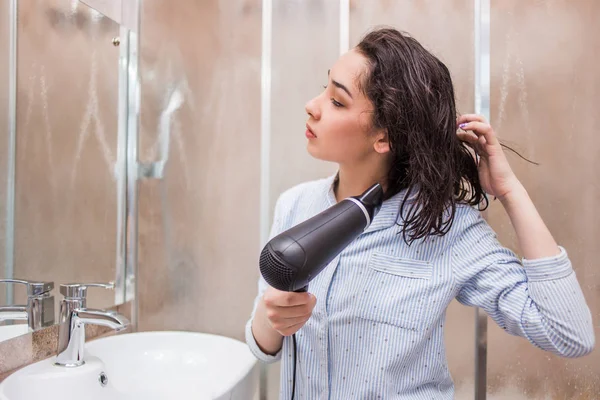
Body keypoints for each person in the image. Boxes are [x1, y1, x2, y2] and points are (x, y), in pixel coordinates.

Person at [245, 27, 595, 399]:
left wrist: (510, 191)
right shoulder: (295, 206)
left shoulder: (445, 227)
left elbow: (569, 334)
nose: (312, 105)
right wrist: (272, 319)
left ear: (384, 137)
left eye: (337, 101)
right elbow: (262, 347)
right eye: (324, 88)